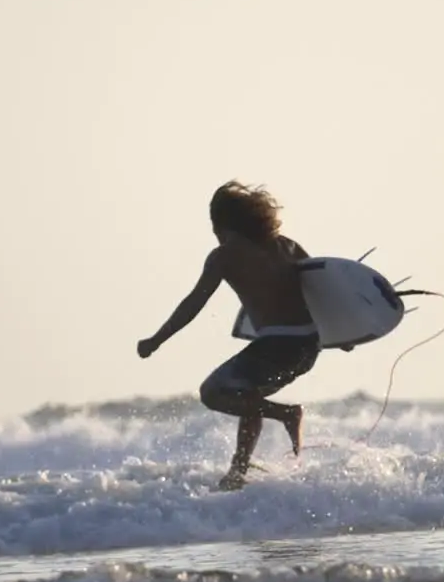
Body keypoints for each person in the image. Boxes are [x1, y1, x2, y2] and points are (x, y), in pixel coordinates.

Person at [137, 181, 321, 490]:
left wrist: (156, 339)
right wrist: (344, 335)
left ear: (223, 223)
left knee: (213, 392)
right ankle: (238, 472)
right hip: (308, 346)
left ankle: (287, 413)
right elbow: (321, 288)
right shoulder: (286, 245)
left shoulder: (224, 255)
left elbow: (193, 303)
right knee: (246, 394)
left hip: (277, 345)